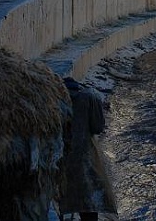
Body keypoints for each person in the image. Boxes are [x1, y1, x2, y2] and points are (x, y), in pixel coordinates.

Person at [57, 78, 118, 221]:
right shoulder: (88, 98)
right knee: (89, 202)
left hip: (62, 158)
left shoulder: (54, 102)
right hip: (86, 158)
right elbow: (98, 127)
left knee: (63, 201)